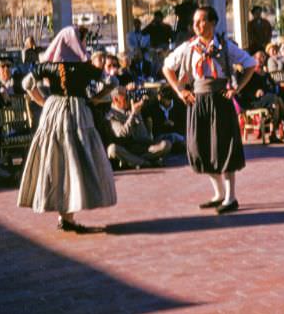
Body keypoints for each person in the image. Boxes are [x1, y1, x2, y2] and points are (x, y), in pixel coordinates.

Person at [17, 26, 117, 233]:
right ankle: (68, 215)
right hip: (77, 112)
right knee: (77, 159)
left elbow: (27, 83)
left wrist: (43, 102)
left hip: (52, 111)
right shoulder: (84, 68)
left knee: (56, 160)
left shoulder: (48, 66)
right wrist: (95, 99)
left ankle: (65, 215)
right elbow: (111, 81)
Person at [163, 6, 256, 214]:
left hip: (220, 101)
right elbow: (167, 67)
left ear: (213, 23)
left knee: (224, 147)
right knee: (201, 147)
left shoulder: (225, 46)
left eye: (202, 20)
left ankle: (231, 197)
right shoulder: (188, 47)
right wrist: (180, 91)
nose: (196, 25)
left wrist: (237, 88)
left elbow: (251, 64)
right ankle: (219, 194)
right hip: (198, 101)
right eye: (195, 21)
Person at [238, 51, 284, 144]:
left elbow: (271, 87)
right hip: (253, 101)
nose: (261, 60)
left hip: (267, 98)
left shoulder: (265, 74)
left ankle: (275, 134)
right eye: (259, 58)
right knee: (276, 100)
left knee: (277, 102)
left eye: (263, 57)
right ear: (253, 59)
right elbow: (243, 90)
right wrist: (255, 92)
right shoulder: (249, 72)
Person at [106, 86, 172, 168]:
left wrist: (137, 113)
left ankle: (136, 162)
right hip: (126, 149)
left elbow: (144, 137)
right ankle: (145, 163)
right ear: (116, 100)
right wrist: (133, 114)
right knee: (112, 149)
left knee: (166, 144)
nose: (129, 98)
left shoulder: (132, 108)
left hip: (142, 148)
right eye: (126, 97)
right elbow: (122, 134)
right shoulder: (111, 115)